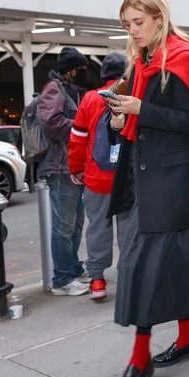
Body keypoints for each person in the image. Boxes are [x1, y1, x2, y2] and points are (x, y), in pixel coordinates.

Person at [106, 0, 189, 377]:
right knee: (172, 261)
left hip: (171, 181)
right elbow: (133, 120)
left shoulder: (183, 56)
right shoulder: (143, 61)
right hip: (145, 175)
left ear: (158, 17)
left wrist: (140, 110)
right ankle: (188, 337)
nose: (132, 31)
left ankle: (139, 357)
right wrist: (119, 119)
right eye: (127, 25)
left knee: (141, 266)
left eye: (138, 22)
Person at [68, 52, 129, 300]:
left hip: (96, 176)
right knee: (129, 231)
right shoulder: (129, 98)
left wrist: (76, 168)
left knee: (97, 229)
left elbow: (78, 139)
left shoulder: (90, 99)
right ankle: (128, 281)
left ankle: (97, 280)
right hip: (126, 178)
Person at [38, 47, 90, 296]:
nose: (85, 73)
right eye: (81, 69)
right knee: (64, 225)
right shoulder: (54, 89)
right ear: (71, 70)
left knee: (76, 223)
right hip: (60, 168)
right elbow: (50, 123)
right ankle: (62, 279)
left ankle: (72, 268)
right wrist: (81, 125)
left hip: (73, 167)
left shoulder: (72, 91)